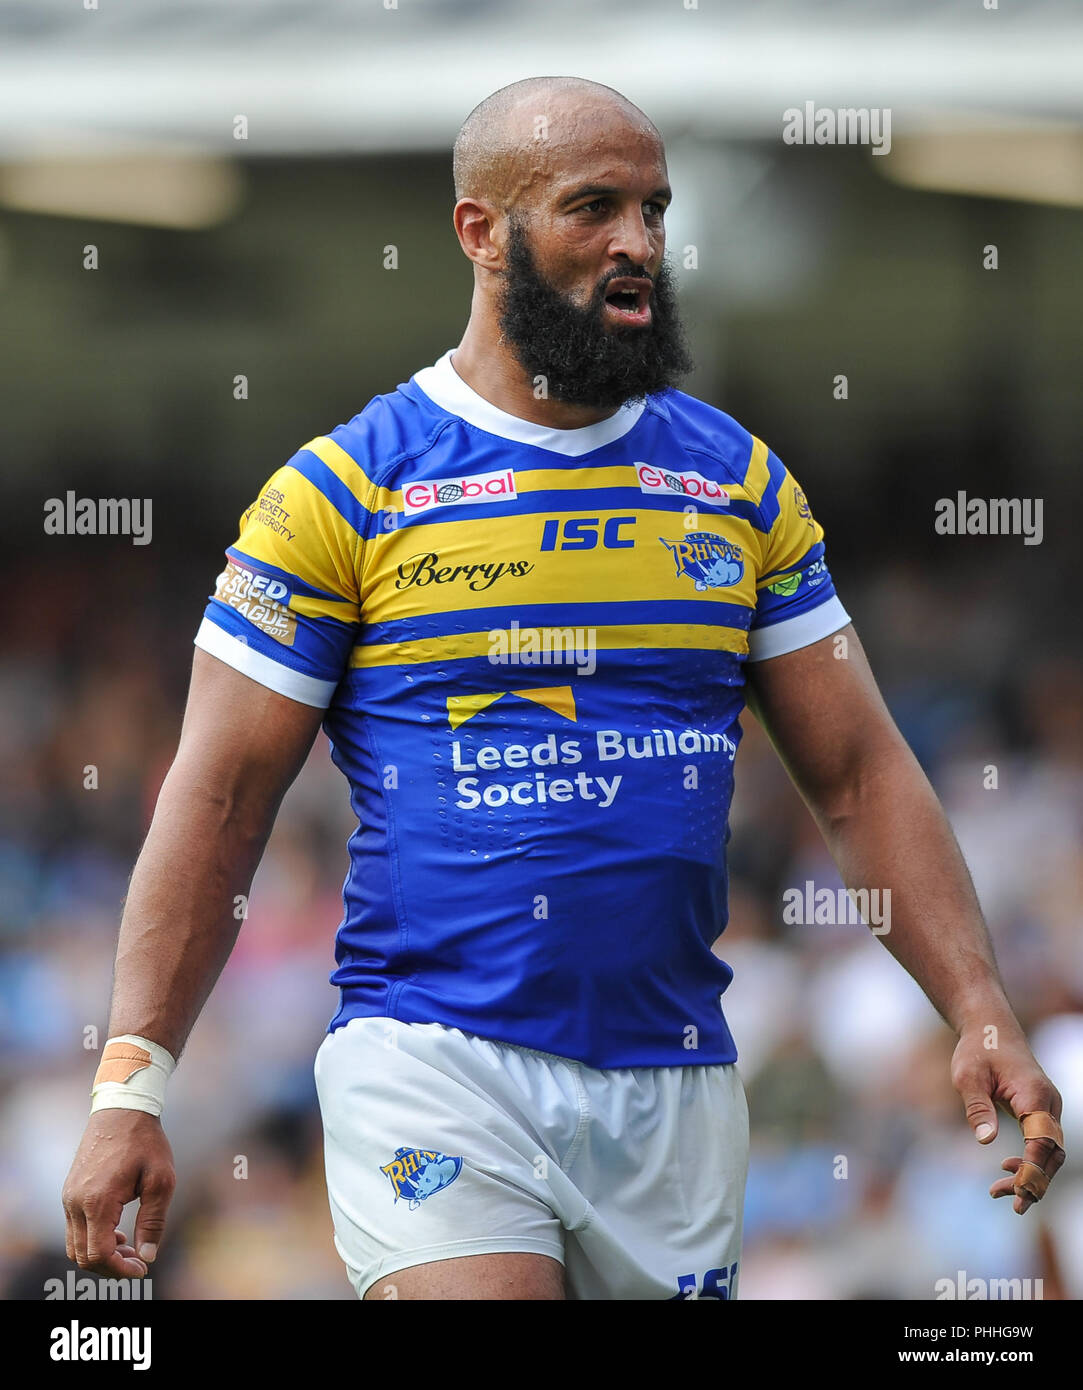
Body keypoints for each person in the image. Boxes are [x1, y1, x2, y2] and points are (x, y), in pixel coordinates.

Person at [62, 75, 1064, 1302]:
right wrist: (130, 1088)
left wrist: (978, 1005)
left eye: (654, 207)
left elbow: (858, 772)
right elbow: (215, 802)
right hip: (432, 1058)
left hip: (676, 1081)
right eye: (595, 207)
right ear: (481, 232)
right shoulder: (338, 493)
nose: (638, 242)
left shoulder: (735, 485)